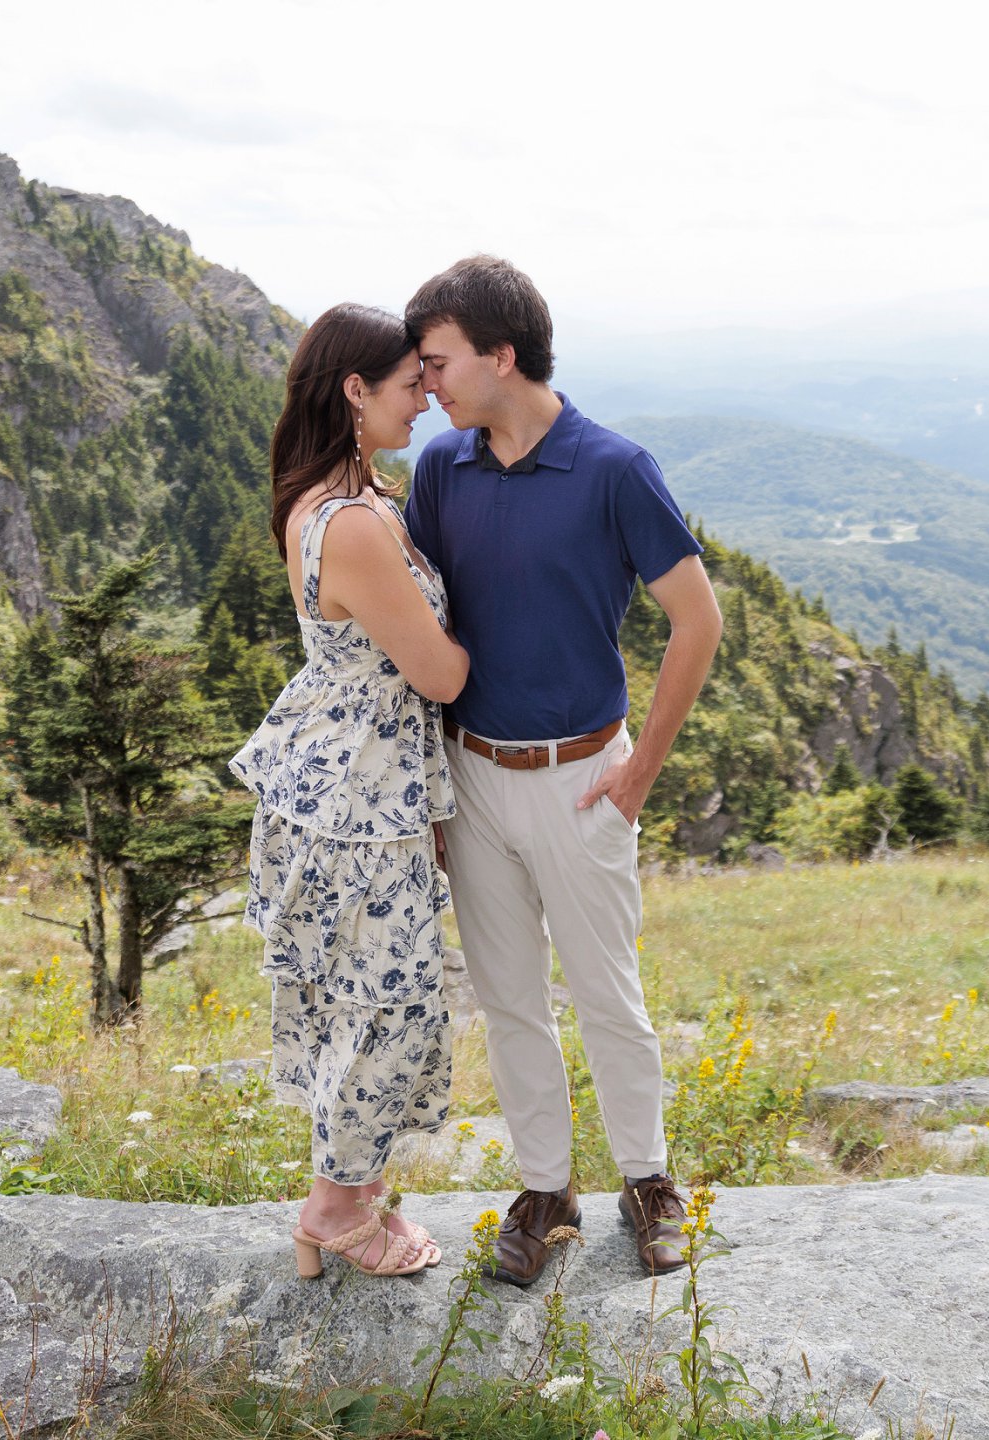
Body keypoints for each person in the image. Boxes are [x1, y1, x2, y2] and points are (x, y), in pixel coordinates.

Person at [403, 256, 724, 1284]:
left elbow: (697, 621)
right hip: (473, 775)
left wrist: (639, 777)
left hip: (587, 773)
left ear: (503, 355)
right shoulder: (440, 471)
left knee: (606, 995)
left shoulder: (615, 468)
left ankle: (649, 1182)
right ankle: (546, 1191)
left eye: (440, 361)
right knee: (506, 998)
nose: (429, 384)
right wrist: (430, 786)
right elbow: (416, 633)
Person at [229, 303, 467, 1279]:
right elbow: (442, 676)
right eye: (412, 383)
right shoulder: (361, 524)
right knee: (393, 1006)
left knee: (360, 1001)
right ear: (357, 390)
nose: (428, 400)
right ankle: (335, 1210)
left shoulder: (328, 500)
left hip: (339, 790)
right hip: (361, 807)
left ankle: (349, 1199)